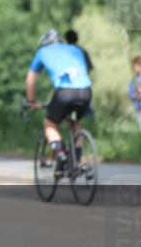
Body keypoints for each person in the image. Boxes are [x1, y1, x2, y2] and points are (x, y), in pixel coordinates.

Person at [26, 29, 92, 178]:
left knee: (50, 124)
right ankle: (77, 161)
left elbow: (30, 80)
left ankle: (61, 154)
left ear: (45, 44)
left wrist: (32, 102)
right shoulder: (75, 49)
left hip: (64, 93)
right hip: (86, 91)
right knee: (77, 124)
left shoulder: (42, 52)